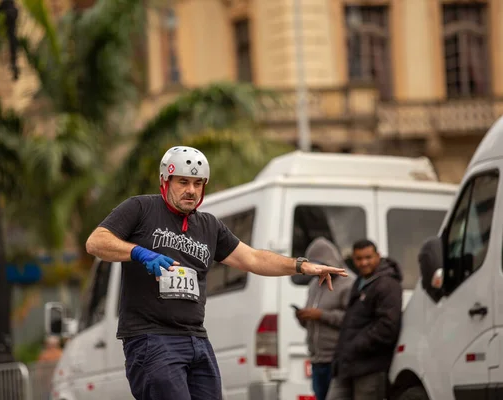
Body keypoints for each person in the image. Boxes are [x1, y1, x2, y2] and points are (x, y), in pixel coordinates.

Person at [85, 146, 348, 400]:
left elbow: (254, 258)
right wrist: (140, 253)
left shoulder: (209, 225)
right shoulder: (141, 209)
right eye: (183, 182)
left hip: (196, 339)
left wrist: (301, 265)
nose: (191, 190)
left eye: (198, 184)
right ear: (165, 181)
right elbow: (96, 241)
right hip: (151, 338)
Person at [326, 239, 403, 400]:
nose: (363, 263)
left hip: (370, 367)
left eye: (368, 257)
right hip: (347, 365)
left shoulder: (387, 284)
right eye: (359, 259)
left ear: (378, 256)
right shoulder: (361, 282)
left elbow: (387, 327)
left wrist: (355, 346)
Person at [295, 237, 355, 400]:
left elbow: (352, 320)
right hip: (316, 360)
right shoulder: (314, 285)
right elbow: (312, 323)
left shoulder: (348, 283)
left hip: (336, 360)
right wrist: (303, 317)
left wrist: (321, 315)